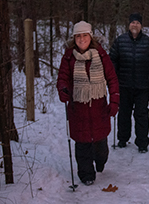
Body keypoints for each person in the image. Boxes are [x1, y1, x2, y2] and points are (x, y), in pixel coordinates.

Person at [57, 21, 120, 186]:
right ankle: (86, 174)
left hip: (99, 108)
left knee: (101, 147)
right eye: (78, 36)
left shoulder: (101, 55)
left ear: (90, 36)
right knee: (83, 144)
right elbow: (63, 78)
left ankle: (100, 162)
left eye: (84, 35)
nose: (81, 39)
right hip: (78, 109)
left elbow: (112, 78)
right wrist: (63, 89)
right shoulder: (69, 56)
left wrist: (114, 101)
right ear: (74, 38)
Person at [109, 12, 149, 153]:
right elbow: (111, 59)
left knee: (141, 114)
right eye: (133, 22)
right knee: (124, 113)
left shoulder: (148, 43)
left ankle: (142, 142)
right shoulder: (120, 41)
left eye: (137, 23)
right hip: (124, 85)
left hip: (142, 86)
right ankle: (122, 138)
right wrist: (113, 76)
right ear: (129, 24)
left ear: (141, 26)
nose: (135, 25)